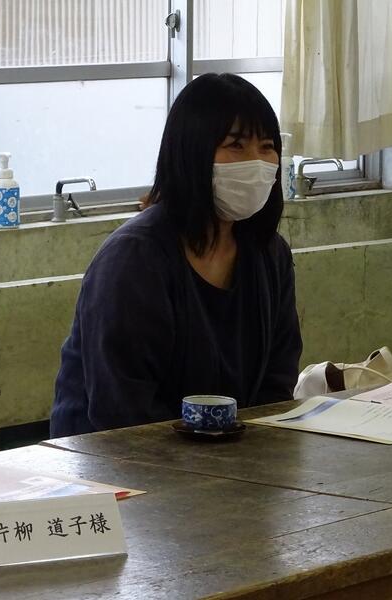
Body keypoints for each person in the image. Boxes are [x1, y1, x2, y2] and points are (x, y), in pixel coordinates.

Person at [50, 73, 302, 437]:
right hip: (113, 458)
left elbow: (276, 384)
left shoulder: (269, 254)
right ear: (192, 152)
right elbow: (122, 409)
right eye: (235, 145)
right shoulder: (134, 259)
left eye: (267, 147)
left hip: (229, 457)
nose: (257, 163)